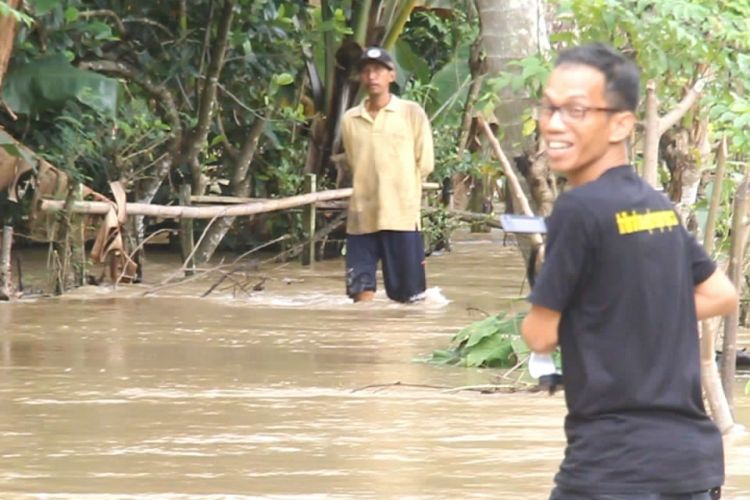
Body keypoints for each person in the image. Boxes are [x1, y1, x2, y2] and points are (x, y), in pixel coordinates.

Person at [520, 43, 739, 500]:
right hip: (692, 467)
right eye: (550, 107)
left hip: (613, 467)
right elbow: (720, 293)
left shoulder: (578, 209)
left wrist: (595, 317)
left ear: (621, 123)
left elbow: (540, 334)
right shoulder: (655, 204)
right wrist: (627, 314)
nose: (554, 123)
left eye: (576, 110)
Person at [340, 46, 434, 303]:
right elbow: (353, 160)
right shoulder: (350, 119)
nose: (372, 76)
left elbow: (425, 162)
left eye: (378, 71)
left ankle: (401, 343)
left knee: (409, 299)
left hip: (400, 216)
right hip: (362, 217)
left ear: (391, 76)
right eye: (366, 71)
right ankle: (365, 342)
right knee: (360, 292)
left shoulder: (411, 113)